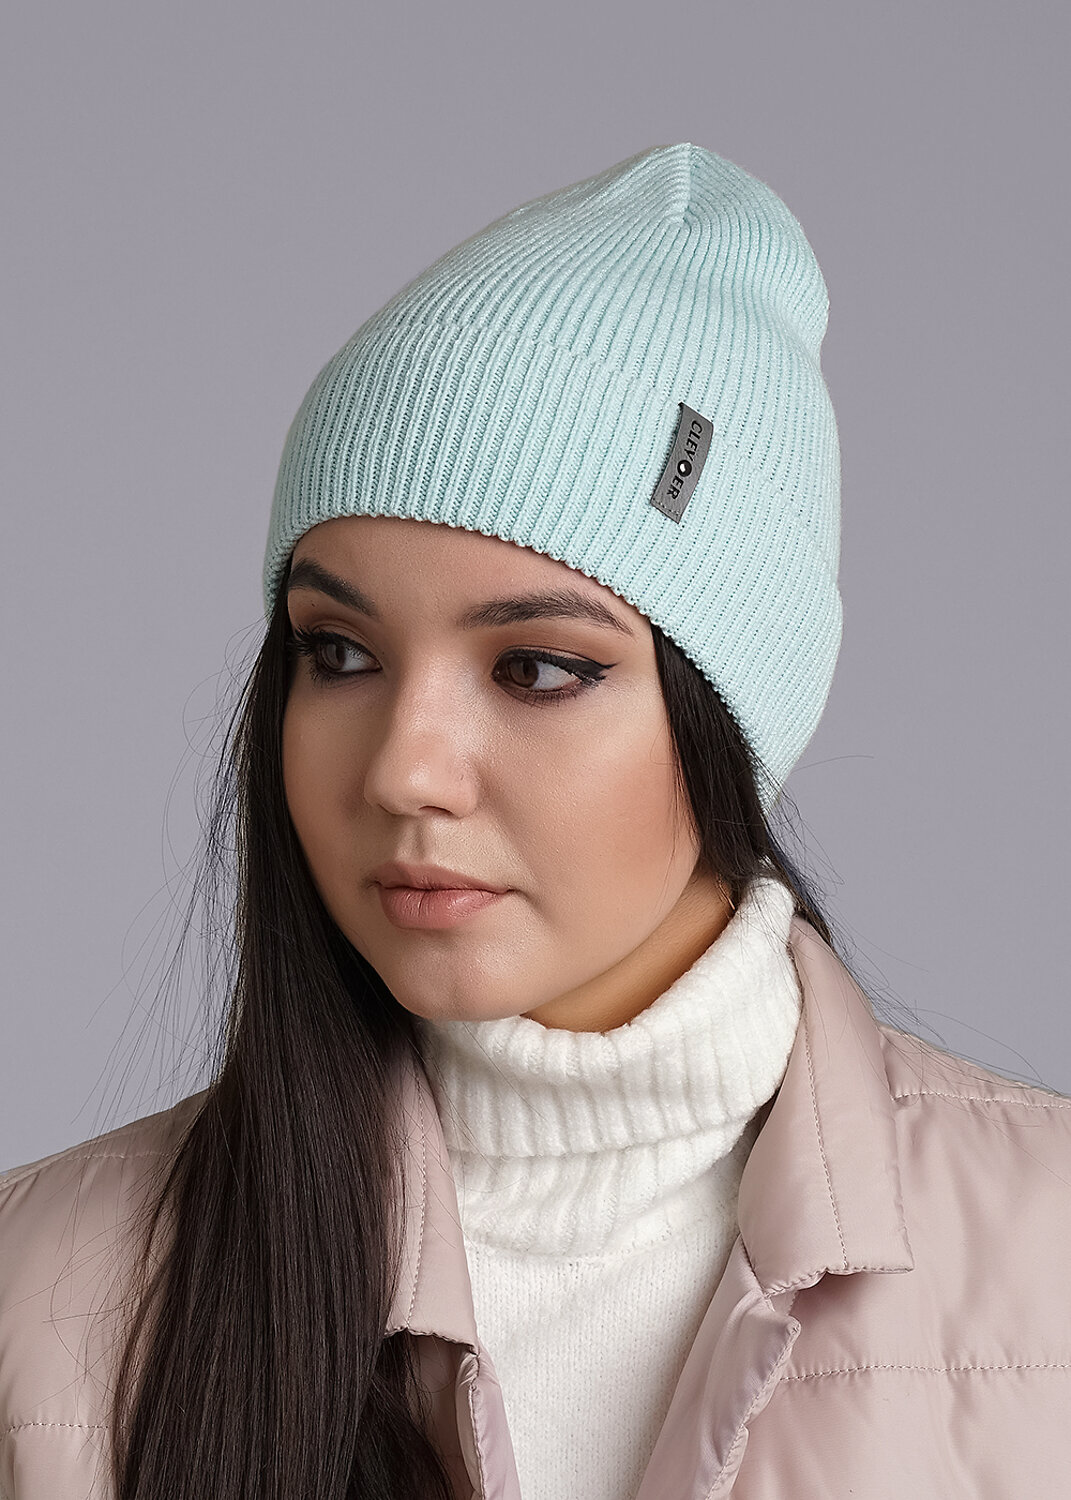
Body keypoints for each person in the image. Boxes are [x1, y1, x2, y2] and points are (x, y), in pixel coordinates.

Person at [1, 143, 1068, 1500]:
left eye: (539, 669)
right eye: (339, 653)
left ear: (726, 717)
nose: (405, 771)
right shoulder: (40, 1303)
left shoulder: (1049, 1261)